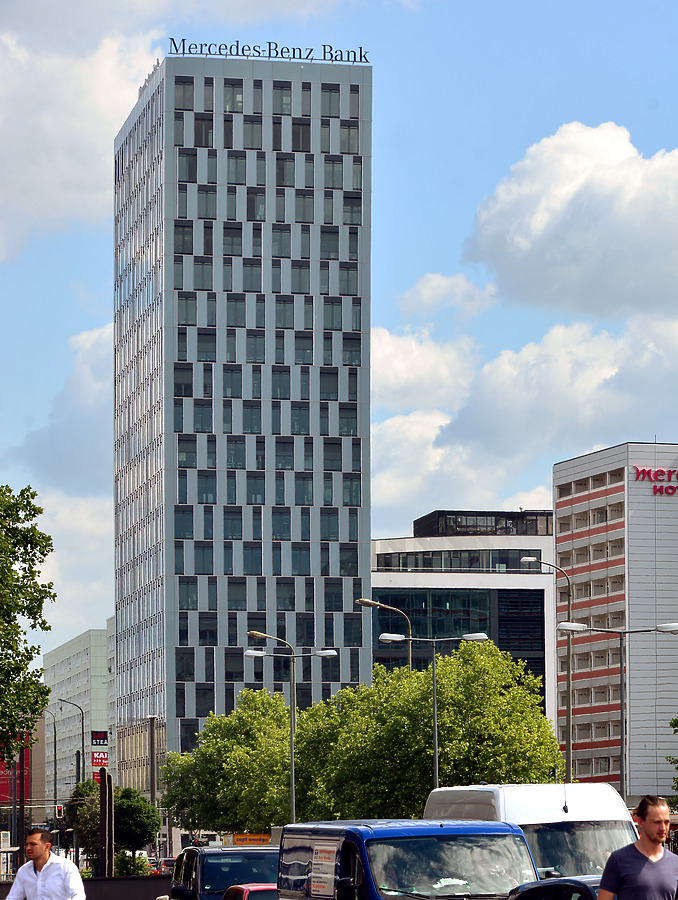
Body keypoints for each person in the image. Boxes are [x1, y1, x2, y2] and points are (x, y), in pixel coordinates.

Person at [598, 794, 678, 900]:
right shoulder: (619, 860)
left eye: (666, 822)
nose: (663, 828)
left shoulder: (675, 863)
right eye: (657, 822)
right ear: (641, 822)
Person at [7, 827, 86, 900]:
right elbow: (13, 897)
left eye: (33, 844)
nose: (28, 848)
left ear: (47, 847)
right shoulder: (24, 871)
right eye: (27, 844)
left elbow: (78, 895)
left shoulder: (65, 867)